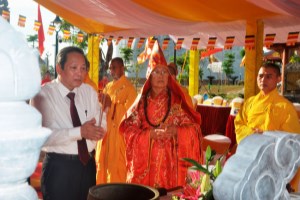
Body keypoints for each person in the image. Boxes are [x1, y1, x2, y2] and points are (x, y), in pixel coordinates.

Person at [119, 41, 202, 189]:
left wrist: (177, 132)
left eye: (164, 72)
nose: (161, 76)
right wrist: (149, 135)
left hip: (171, 169)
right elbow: (128, 131)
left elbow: (194, 130)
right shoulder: (140, 104)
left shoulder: (177, 102)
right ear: (149, 76)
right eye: (157, 72)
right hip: (146, 170)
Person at [30, 46, 107, 200]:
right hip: (60, 168)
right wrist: (80, 132)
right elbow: (42, 136)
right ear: (59, 68)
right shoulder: (42, 95)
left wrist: (98, 129)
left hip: (87, 166)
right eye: (74, 68)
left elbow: (100, 124)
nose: (80, 73)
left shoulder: (89, 92)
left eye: (83, 68)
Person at [235, 62, 300, 144]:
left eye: (268, 76)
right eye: (260, 76)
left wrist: (265, 135)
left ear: (279, 79)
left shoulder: (286, 107)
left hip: (272, 153)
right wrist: (252, 133)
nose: (263, 80)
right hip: (249, 150)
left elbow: (292, 138)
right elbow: (239, 124)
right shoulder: (249, 102)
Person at [95, 57, 137, 184]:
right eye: (110, 68)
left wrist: (112, 106)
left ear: (122, 68)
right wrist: (101, 102)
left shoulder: (130, 89)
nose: (111, 70)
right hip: (106, 134)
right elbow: (103, 109)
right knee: (103, 164)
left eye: (114, 67)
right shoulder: (108, 87)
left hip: (118, 136)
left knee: (116, 168)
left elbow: (131, 115)